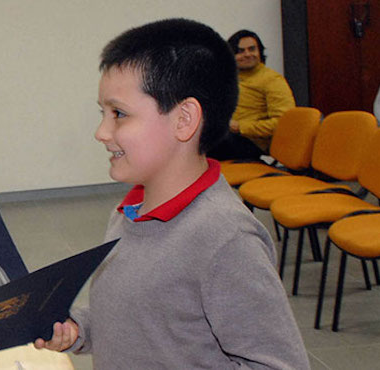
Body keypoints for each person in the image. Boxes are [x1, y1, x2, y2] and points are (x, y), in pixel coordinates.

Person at [34, 18, 309, 368]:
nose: (101, 132)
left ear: (184, 120)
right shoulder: (131, 208)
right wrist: (81, 327)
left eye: (118, 113)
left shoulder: (226, 239)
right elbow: (147, 318)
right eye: (102, 113)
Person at [208, 29, 295, 161]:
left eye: (252, 49)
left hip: (250, 142)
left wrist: (240, 127)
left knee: (200, 142)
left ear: (259, 51)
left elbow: (283, 122)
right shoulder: (229, 78)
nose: (247, 54)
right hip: (228, 136)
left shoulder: (272, 80)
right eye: (241, 51)